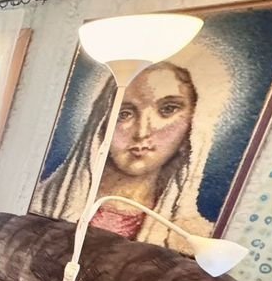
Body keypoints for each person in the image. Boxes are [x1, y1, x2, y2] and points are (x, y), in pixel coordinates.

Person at [33, 55, 224, 250]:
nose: (142, 132)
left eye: (168, 109)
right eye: (124, 114)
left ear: (192, 128)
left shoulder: (194, 240)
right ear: (101, 124)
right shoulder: (41, 203)